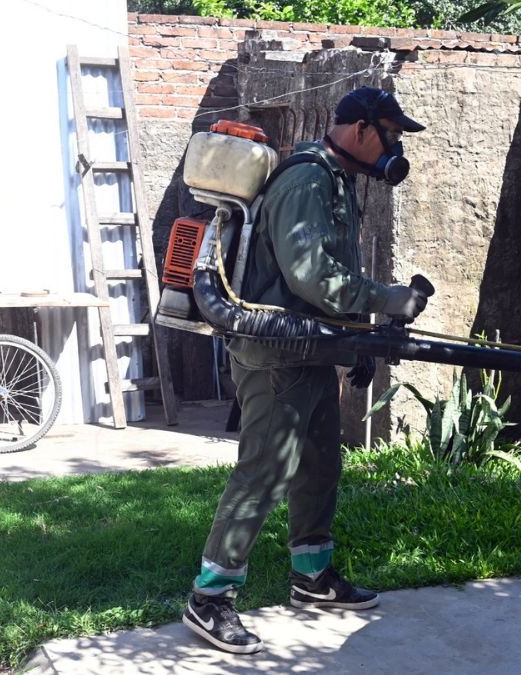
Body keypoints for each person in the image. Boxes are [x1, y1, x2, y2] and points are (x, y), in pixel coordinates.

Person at [182, 87, 430, 655]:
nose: (395, 146)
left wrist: (362, 338)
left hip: (313, 351)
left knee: (318, 464)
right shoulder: (306, 180)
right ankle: (210, 596)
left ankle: (311, 577)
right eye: (391, 134)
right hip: (276, 356)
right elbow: (310, 277)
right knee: (265, 470)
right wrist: (394, 301)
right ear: (364, 130)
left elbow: (336, 273)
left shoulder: (338, 179)